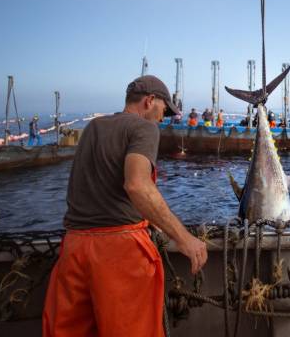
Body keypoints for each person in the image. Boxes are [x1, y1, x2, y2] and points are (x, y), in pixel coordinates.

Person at [43, 75, 207, 337]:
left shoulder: (93, 128)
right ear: (149, 101)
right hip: (117, 253)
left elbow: (98, 185)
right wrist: (184, 238)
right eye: (163, 110)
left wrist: (150, 216)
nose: (162, 118)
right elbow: (137, 185)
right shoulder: (144, 129)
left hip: (73, 248)